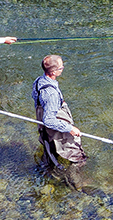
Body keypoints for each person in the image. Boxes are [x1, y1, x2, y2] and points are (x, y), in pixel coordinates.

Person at [33, 54, 88, 190]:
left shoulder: (39, 81)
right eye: (61, 67)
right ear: (53, 72)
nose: (62, 68)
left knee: (50, 149)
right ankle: (76, 184)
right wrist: (69, 128)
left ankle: (51, 173)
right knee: (78, 157)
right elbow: (49, 120)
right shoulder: (50, 94)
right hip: (55, 123)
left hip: (44, 121)